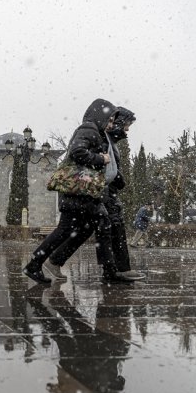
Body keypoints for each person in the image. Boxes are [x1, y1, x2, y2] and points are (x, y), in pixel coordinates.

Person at [23, 98, 131, 285]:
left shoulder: (93, 130)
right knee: (95, 226)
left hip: (80, 193)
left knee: (70, 230)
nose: (112, 124)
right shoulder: (88, 129)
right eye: (110, 120)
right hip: (80, 192)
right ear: (101, 115)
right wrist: (101, 159)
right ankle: (109, 271)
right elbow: (77, 152)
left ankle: (36, 264)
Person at [43, 107, 144, 281]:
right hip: (100, 191)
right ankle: (114, 270)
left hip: (101, 191)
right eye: (126, 125)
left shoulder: (107, 139)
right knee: (108, 227)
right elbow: (98, 165)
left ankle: (56, 261)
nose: (127, 129)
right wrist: (117, 178)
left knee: (89, 229)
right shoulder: (102, 137)